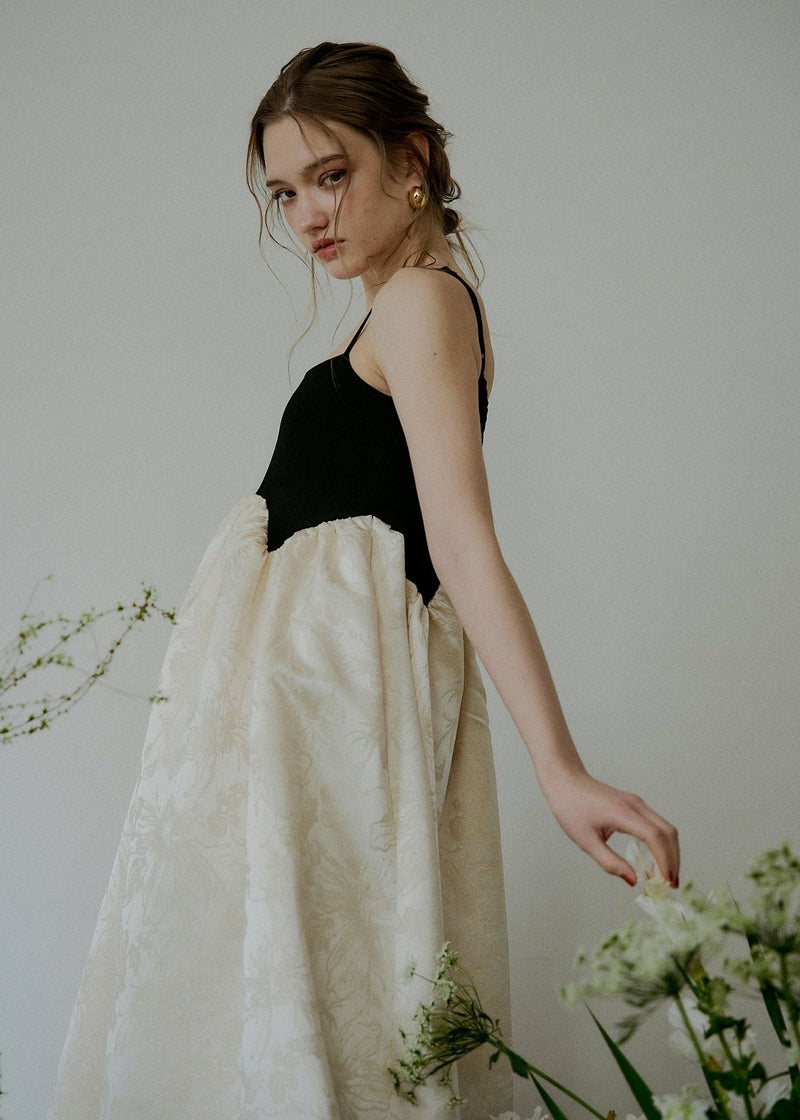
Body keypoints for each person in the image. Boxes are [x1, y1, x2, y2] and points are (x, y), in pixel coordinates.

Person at [49, 42, 680, 1120]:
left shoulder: (421, 303)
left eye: (330, 175)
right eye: (284, 192)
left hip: (328, 721)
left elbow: (461, 542)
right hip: (307, 721)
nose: (306, 216)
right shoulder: (405, 304)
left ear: (411, 161)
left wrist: (560, 766)